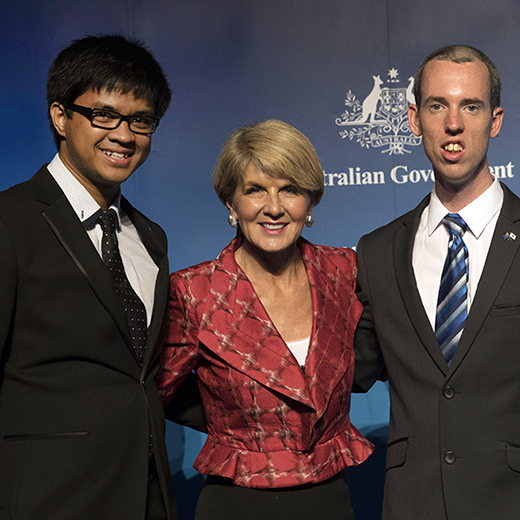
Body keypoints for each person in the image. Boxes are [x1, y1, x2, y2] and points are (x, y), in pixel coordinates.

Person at [0, 35, 203, 520]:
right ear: (60, 117)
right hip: (44, 496)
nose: (124, 135)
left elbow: (145, 374)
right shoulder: (11, 221)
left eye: (141, 121)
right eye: (104, 115)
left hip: (148, 492)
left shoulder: (150, 236)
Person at [156, 119, 373, 520]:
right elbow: (156, 396)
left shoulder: (344, 271)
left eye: (289, 189)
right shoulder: (194, 291)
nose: (273, 207)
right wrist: (237, 421)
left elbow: (370, 360)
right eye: (255, 190)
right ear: (230, 203)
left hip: (330, 499)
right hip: (238, 502)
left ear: (310, 200)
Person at [352, 44, 520, 519]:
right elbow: (348, 370)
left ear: (496, 120)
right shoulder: (378, 251)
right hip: (413, 503)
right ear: (413, 119)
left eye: (471, 106)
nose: (453, 124)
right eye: (437, 106)